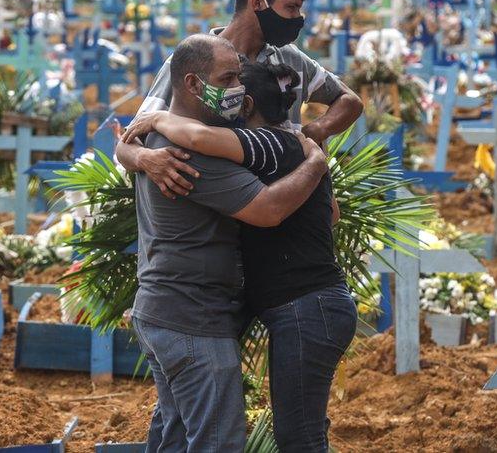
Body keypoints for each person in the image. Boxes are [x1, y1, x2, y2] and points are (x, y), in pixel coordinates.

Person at [122, 61, 358, 452]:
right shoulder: (291, 146)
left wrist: (158, 117)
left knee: (299, 438)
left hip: (305, 306)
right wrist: (314, 168)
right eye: (224, 79)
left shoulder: (266, 145)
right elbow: (331, 213)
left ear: (246, 104)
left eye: (234, 82)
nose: (228, 91)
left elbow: (198, 137)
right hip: (303, 304)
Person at [116, 0, 363, 199]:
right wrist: (146, 158)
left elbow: (349, 101)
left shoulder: (289, 59)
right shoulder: (193, 61)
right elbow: (127, 142)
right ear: (258, 2)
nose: (298, 19)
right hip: (224, 206)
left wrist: (314, 132)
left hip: (287, 203)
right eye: (291, 8)